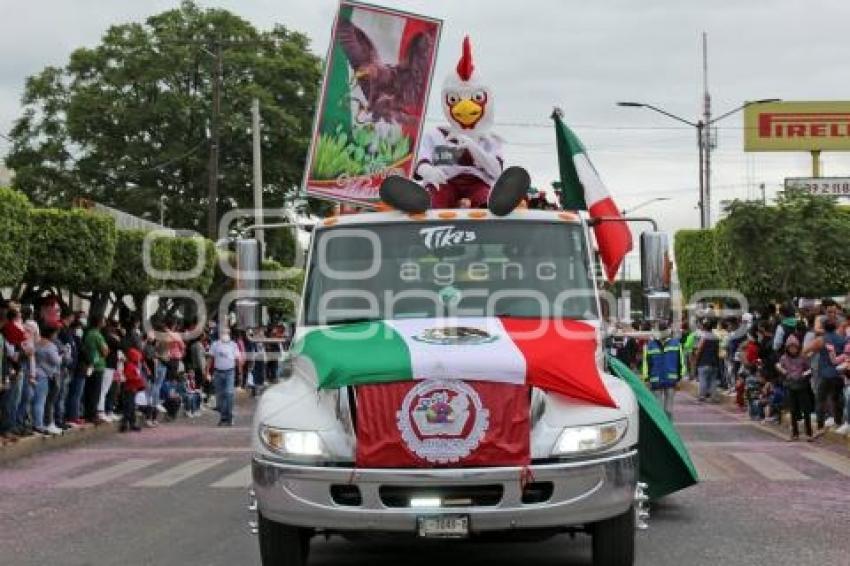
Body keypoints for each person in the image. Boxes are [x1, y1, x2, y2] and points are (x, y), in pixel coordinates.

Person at [642, 321, 686, 419]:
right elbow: (646, 363)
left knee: (668, 409)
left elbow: (681, 362)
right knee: (657, 409)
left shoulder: (676, 344)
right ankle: (660, 430)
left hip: (671, 379)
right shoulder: (650, 345)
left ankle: (668, 429)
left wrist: (680, 378)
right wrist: (646, 378)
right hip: (655, 379)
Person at [812, 319, 846, 433]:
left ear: (823, 328)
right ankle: (838, 422)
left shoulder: (821, 339)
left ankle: (820, 425)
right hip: (839, 373)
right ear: (836, 326)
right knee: (837, 399)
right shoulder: (842, 339)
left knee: (820, 399)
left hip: (825, 374)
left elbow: (806, 350)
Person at [776, 335, 813, 440]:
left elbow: (810, 369)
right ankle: (795, 433)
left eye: (795, 347)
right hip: (791, 386)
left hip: (802, 385)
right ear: (787, 348)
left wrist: (804, 374)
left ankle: (809, 433)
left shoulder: (803, 357)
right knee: (793, 410)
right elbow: (779, 366)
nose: (793, 349)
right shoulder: (784, 358)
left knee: (806, 410)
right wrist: (783, 371)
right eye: (790, 347)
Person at [32, 324, 62, 435]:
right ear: (51, 334)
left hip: (35, 372)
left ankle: (37, 423)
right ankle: (38, 424)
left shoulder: (37, 343)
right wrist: (62, 356)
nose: (56, 336)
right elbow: (56, 361)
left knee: (35, 400)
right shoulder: (50, 346)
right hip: (45, 375)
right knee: (41, 401)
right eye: (55, 334)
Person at [208, 327, 239, 426]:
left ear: (229, 333)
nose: (224, 334)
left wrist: (240, 373)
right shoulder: (215, 344)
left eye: (226, 332)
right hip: (218, 373)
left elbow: (238, 358)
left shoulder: (233, 345)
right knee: (220, 396)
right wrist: (207, 371)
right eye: (222, 332)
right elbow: (210, 358)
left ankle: (229, 417)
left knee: (229, 394)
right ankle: (223, 417)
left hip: (230, 372)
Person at [82, 314, 109, 424]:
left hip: (89, 364)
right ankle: (92, 414)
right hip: (98, 365)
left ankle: (87, 413)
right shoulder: (97, 335)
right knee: (95, 391)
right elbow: (105, 351)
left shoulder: (88, 334)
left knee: (88, 390)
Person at [694, 318, 721, 401]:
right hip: (714, 362)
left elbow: (699, 350)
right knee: (713, 381)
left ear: (703, 327)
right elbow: (717, 351)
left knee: (703, 379)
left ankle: (702, 395)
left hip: (703, 362)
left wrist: (696, 360)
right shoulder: (716, 338)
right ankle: (714, 397)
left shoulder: (703, 337)